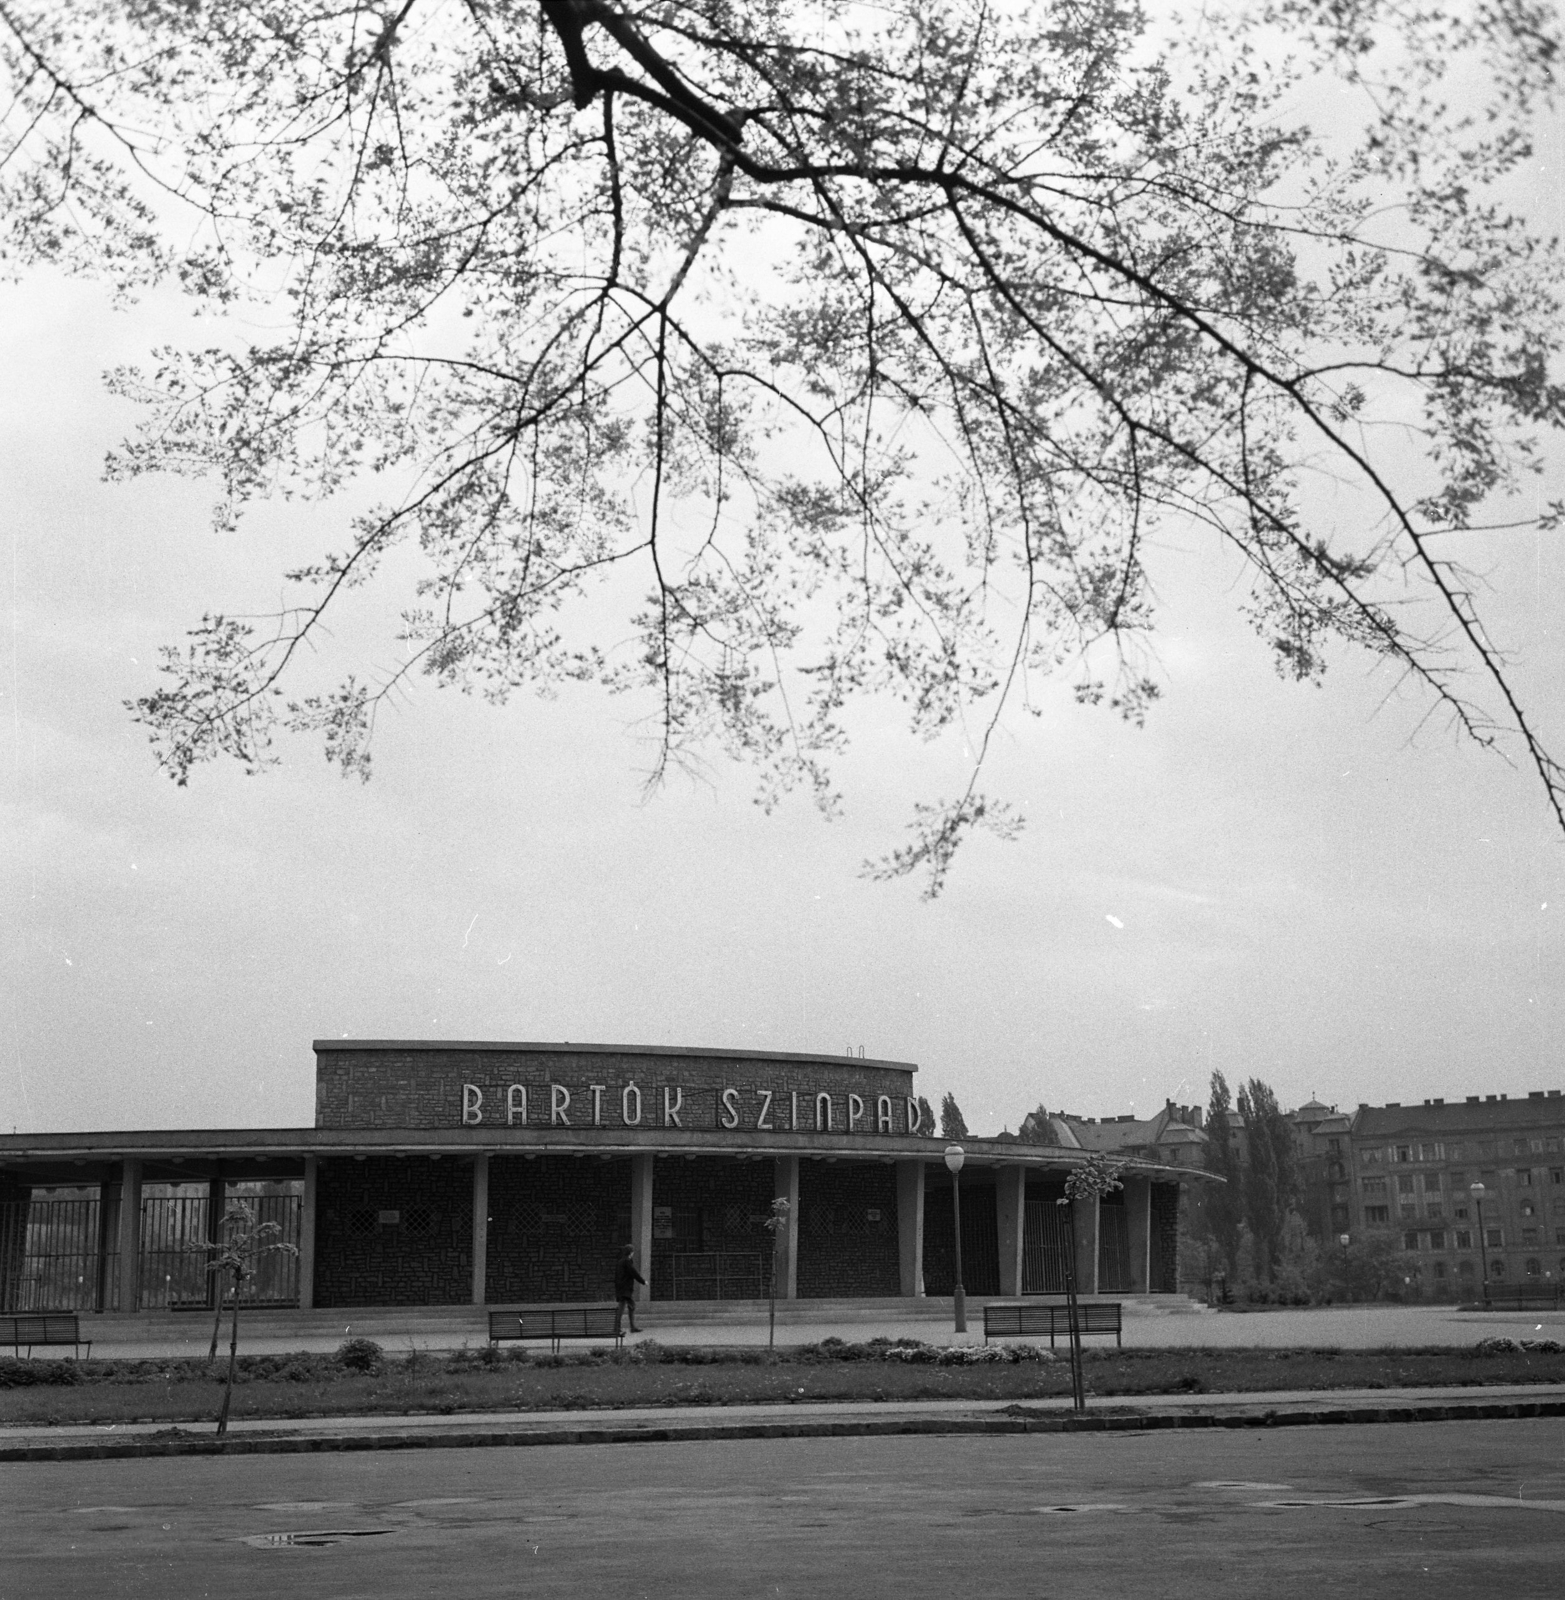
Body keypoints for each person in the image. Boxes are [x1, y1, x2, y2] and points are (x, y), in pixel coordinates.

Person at [614, 1244, 646, 1334]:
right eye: (632, 1252)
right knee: (624, 1307)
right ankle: (619, 1328)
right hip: (625, 1289)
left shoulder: (620, 1261)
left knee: (630, 1305)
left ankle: (631, 1327)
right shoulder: (626, 1261)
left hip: (621, 1288)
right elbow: (633, 1272)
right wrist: (643, 1281)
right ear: (630, 1253)